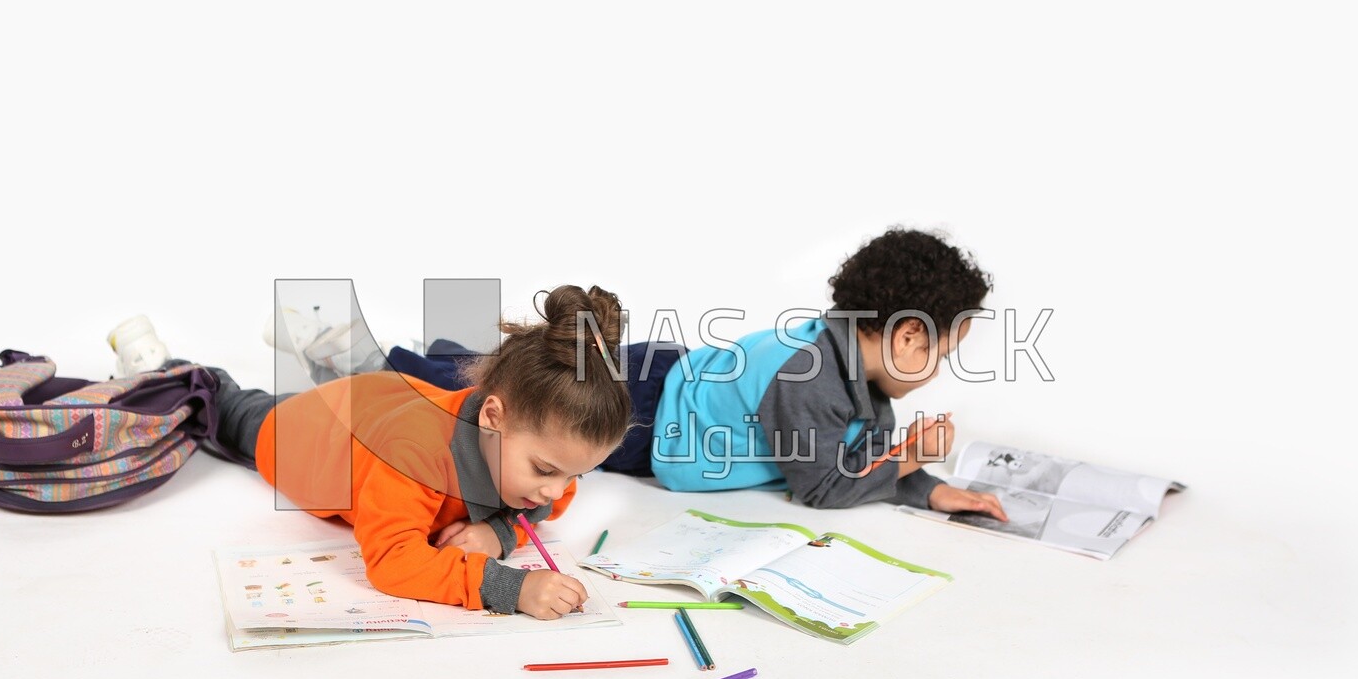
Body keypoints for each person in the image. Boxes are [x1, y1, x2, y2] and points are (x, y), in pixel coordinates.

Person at [378, 229, 1008, 521]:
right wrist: (906, 460)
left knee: (502, 378)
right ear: (907, 337)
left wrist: (925, 486)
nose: (939, 371)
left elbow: (860, 457)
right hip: (651, 415)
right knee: (489, 395)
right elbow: (824, 487)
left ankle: (435, 351)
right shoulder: (810, 377)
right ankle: (387, 367)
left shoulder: (854, 375)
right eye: (943, 354)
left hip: (669, 378)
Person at [110, 284, 632, 621]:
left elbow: (546, 504)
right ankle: (157, 364)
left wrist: (497, 531)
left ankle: (326, 350)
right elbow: (392, 563)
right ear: (491, 417)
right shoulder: (411, 458)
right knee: (228, 409)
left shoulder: (535, 459)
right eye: (545, 470)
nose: (556, 491)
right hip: (304, 435)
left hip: (380, 400)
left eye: (574, 475)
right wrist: (509, 587)